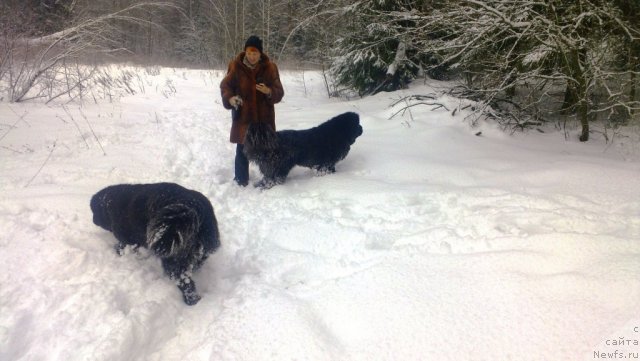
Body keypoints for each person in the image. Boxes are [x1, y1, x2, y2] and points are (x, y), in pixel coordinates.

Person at [220, 35, 284, 186]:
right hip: (244, 117)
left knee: (268, 150)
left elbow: (279, 91)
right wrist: (230, 99)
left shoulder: (270, 68)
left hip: (264, 119)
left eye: (255, 53)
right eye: (249, 53)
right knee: (242, 149)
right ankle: (241, 180)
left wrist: (269, 91)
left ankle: (270, 176)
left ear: (260, 53)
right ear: (245, 52)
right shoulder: (235, 66)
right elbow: (225, 86)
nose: (252, 56)